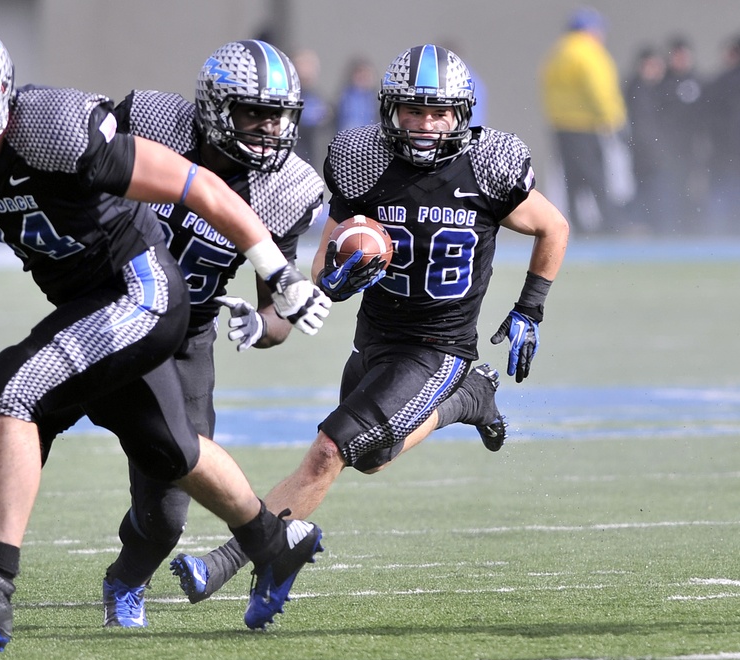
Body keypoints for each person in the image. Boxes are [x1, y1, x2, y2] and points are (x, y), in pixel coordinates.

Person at [0, 22, 332, 651]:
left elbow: (198, 186)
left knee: (15, 386)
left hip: (145, 296)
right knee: (172, 451)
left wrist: (275, 275)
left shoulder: (54, 129)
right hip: (90, 302)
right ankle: (273, 544)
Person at [169, 44, 569, 604]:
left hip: (438, 345)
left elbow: (554, 227)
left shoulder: (488, 164)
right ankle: (468, 400)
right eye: (413, 111)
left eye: (439, 112)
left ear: (462, 114)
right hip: (377, 336)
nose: (426, 125)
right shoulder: (364, 159)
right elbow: (323, 260)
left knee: (329, 452)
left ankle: (235, 560)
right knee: (373, 456)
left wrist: (531, 306)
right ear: (390, 111)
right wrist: (337, 278)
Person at [539, 6, 627, 234]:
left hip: (561, 127)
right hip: (587, 127)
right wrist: (615, 120)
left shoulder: (556, 53)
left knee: (573, 180)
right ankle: (609, 226)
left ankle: (578, 225)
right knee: (598, 179)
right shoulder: (589, 52)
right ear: (591, 30)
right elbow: (600, 90)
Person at [657, 36, 706, 232]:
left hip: (692, 149)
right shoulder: (662, 84)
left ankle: (692, 228)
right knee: (669, 190)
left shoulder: (699, 82)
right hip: (667, 150)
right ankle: (668, 230)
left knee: (693, 191)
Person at [623, 46, 669, 232]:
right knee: (647, 190)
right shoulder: (638, 90)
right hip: (645, 154)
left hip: (652, 153)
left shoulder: (656, 88)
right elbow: (642, 126)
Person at [702, 34, 740, 234]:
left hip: (724, 152)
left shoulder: (721, 82)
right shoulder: (722, 82)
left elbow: (707, 118)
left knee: (720, 197)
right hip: (727, 153)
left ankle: (715, 238)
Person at [291, 48, 333, 173]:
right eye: (303, 66)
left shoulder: (319, 99)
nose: (307, 72)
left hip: (311, 162)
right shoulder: (289, 99)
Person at [335, 55, 379, 132]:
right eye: (359, 73)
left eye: (366, 74)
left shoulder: (376, 100)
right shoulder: (342, 98)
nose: (363, 77)